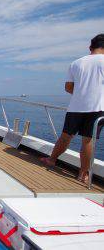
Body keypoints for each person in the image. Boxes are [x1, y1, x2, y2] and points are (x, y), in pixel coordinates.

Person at [41, 34, 104, 183]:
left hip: (75, 107)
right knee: (88, 141)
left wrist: (82, 92)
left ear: (90, 47)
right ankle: (83, 174)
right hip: (97, 107)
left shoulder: (76, 63)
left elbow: (68, 87)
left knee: (65, 136)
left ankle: (51, 160)